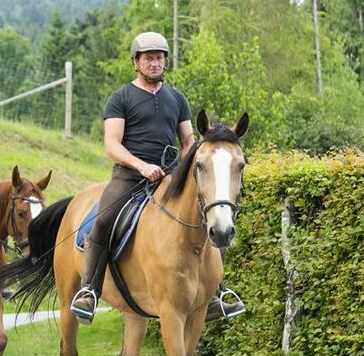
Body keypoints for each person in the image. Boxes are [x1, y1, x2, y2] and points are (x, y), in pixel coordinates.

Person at [69, 32, 245, 325]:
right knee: (103, 220)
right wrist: (140, 166)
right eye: (148, 58)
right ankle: (89, 289)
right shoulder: (121, 98)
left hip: (170, 177)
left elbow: (189, 142)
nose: (155, 63)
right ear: (136, 62)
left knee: (210, 220)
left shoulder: (177, 98)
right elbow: (112, 144)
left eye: (159, 58)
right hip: (128, 177)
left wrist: (186, 170)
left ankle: (215, 293)